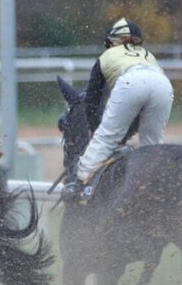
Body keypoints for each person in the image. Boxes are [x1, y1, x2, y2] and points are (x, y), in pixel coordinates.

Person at [63, 18, 174, 199]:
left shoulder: (107, 56)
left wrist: (93, 127)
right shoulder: (148, 55)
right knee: (152, 144)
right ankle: (156, 188)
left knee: (105, 137)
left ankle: (78, 183)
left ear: (113, 41)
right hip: (163, 84)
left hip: (131, 81)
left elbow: (93, 99)